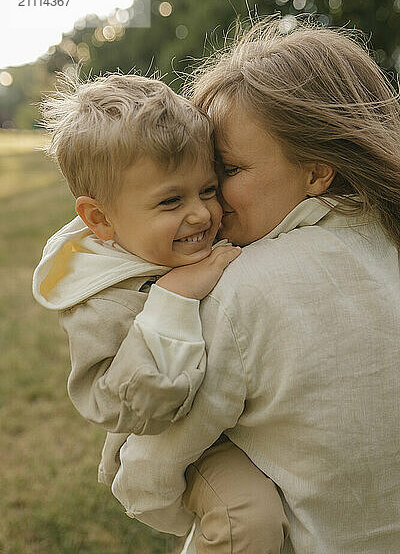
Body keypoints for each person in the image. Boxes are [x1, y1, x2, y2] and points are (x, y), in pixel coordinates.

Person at [108, 17, 400, 553]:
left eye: (229, 170)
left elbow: (151, 466)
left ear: (317, 173)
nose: (211, 202)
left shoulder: (246, 286)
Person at [32, 74, 289, 554]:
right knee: (245, 518)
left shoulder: (199, 240)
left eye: (209, 189)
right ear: (100, 219)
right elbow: (123, 408)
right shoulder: (103, 299)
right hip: (187, 448)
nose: (201, 215)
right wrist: (174, 299)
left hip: (249, 409)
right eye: (171, 201)